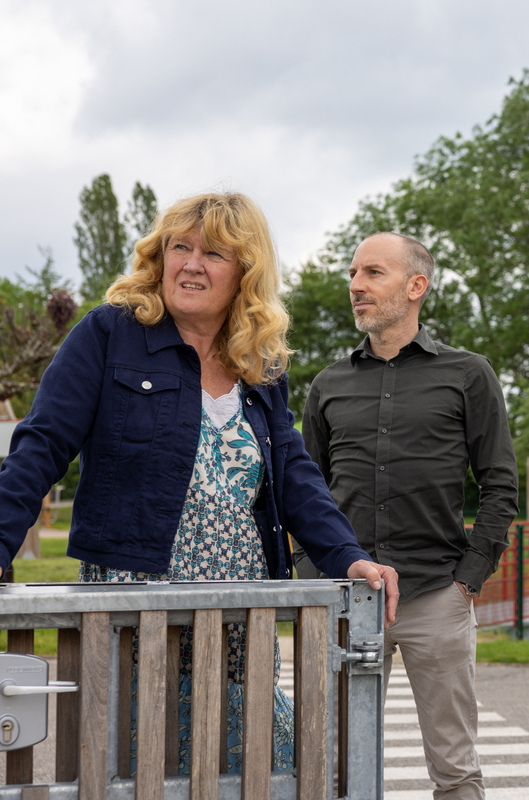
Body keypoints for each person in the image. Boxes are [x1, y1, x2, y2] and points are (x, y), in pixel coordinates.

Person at [0, 192, 399, 772]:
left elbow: (293, 475)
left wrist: (349, 556)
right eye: (178, 248)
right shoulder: (109, 335)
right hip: (137, 606)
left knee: (256, 763)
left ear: (245, 272)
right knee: (139, 766)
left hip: (241, 614)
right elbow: (40, 446)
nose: (190, 263)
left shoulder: (260, 361)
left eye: (213, 253)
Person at [296, 232, 519, 799]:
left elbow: (499, 482)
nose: (355, 286)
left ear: (416, 286)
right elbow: (306, 490)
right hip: (344, 597)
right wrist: (308, 569)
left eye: (372, 273)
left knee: (455, 764)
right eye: (353, 273)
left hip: (433, 593)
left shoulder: (469, 375)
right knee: (332, 757)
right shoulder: (327, 385)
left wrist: (470, 576)